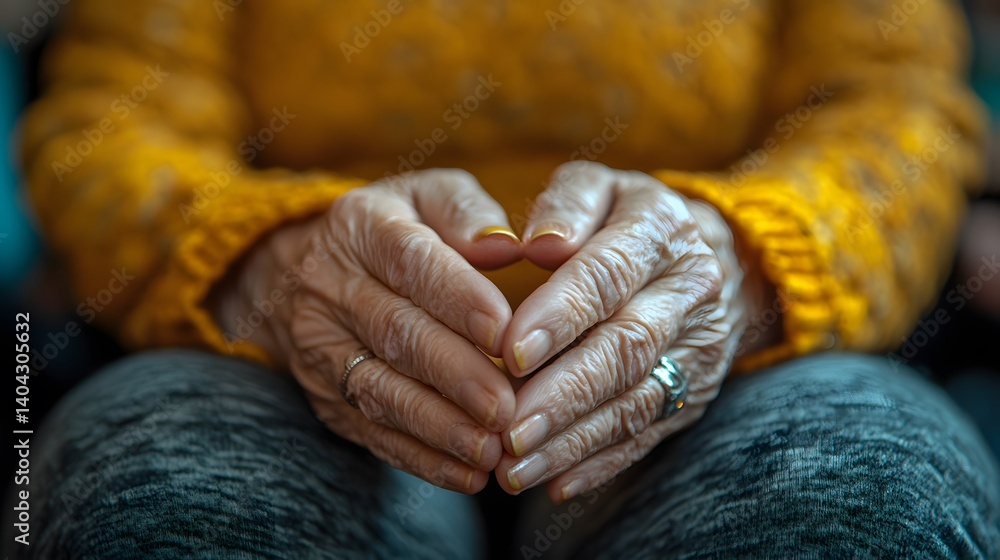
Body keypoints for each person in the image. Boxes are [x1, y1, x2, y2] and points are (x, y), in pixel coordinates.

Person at [5, 0, 1000, 557]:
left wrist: (736, 263)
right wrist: (269, 264)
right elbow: (106, 127)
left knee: (865, 479)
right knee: (166, 487)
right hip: (288, 366)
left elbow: (898, 118)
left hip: (723, 370)